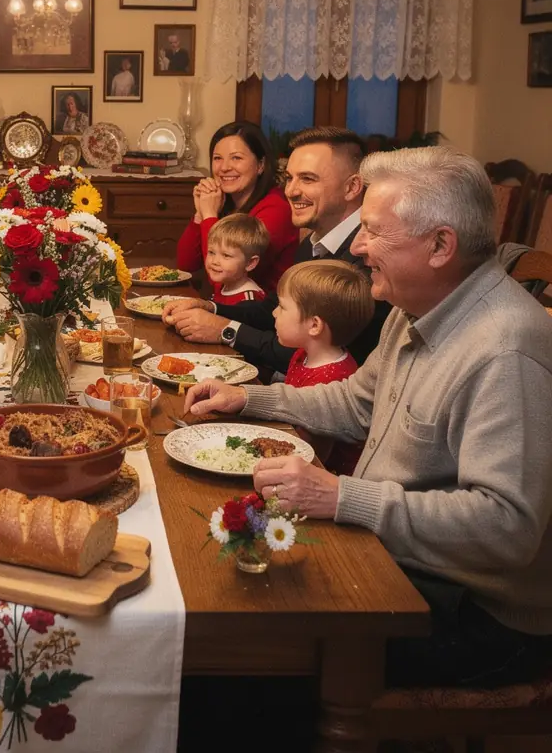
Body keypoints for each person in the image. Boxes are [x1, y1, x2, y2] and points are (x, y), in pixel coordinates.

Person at [183, 147, 552, 689]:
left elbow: (507, 528)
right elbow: (356, 403)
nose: (357, 246)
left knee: (244, 651)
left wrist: (342, 498)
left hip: (475, 613)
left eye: (374, 232)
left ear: (440, 245)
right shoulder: (416, 307)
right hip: (397, 558)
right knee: (221, 585)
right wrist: (249, 399)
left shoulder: (504, 349)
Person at [169, 126, 388, 375]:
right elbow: (270, 307)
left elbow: (312, 356)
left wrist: (224, 329)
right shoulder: (312, 243)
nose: (291, 191)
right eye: (290, 178)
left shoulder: (369, 257)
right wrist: (212, 309)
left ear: (352, 187)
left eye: (307, 179)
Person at [271, 259, 374, 474]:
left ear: (314, 325)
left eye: (282, 307)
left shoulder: (332, 377)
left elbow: (313, 454)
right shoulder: (303, 354)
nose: (274, 313)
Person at [176, 121, 298, 293]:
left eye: (236, 158)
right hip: (229, 304)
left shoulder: (276, 209)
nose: (224, 168)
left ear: (261, 165)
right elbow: (186, 265)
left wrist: (210, 214)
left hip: (261, 308)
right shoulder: (224, 201)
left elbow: (224, 281)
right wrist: (200, 214)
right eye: (217, 158)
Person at [204, 214, 270, 305]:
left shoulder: (249, 301)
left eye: (226, 255)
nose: (214, 261)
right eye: (211, 252)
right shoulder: (224, 283)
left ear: (250, 263)